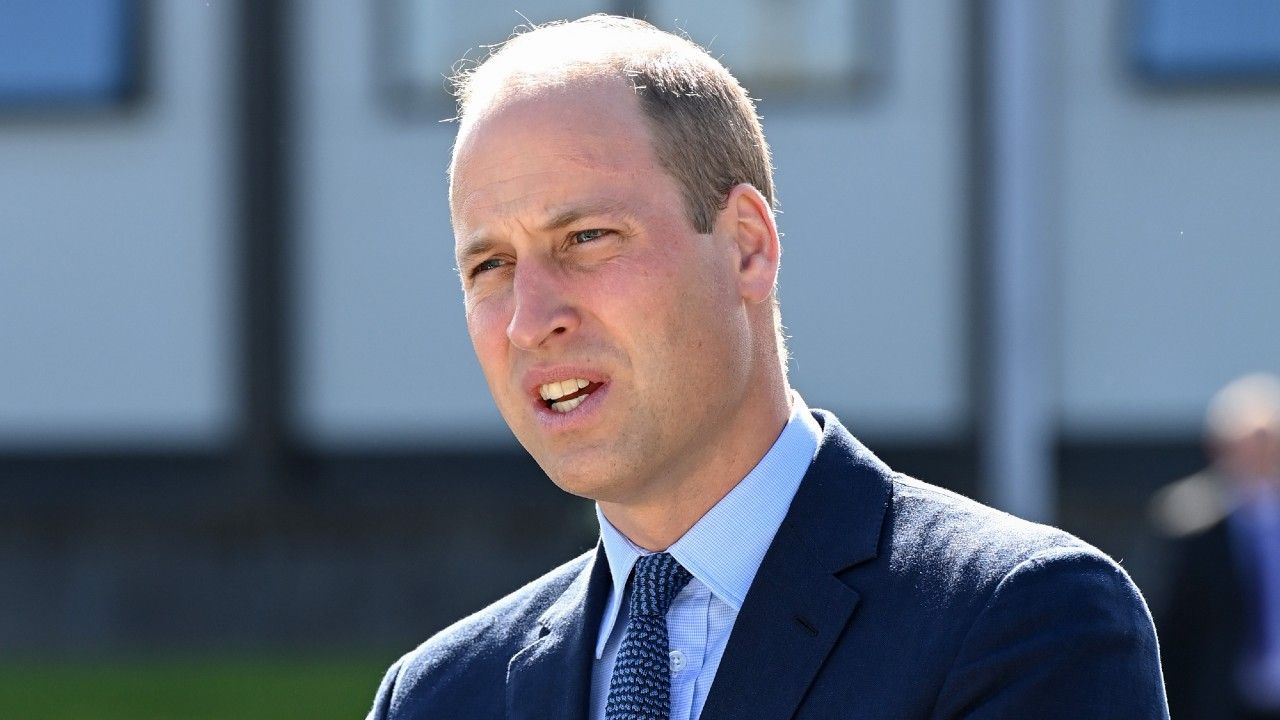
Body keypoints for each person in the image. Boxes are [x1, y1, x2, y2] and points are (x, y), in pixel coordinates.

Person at [368, 15, 1167, 719]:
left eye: (585, 238)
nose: (530, 319)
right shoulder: (437, 695)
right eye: (490, 265)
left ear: (747, 245)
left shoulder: (1021, 622)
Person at [1151, 373, 1280, 720]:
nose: (1262, 455)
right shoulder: (1190, 520)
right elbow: (1176, 629)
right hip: (1223, 700)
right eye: (1251, 442)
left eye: (1269, 441)